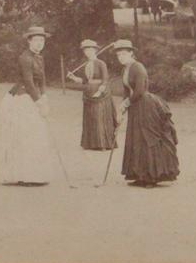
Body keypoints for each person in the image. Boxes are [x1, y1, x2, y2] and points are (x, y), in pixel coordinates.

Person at [114, 39, 179, 187]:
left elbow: (139, 90)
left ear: (131, 53)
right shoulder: (125, 70)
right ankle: (140, 175)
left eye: (123, 54)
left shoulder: (138, 67)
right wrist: (122, 108)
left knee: (148, 139)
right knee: (136, 140)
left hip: (146, 106)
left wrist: (126, 103)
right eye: (118, 55)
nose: (120, 57)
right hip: (135, 107)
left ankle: (152, 176)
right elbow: (127, 91)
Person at [0, 26, 55, 186]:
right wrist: (39, 102)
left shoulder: (39, 57)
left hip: (35, 95)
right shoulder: (25, 58)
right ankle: (25, 175)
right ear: (29, 41)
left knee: (37, 134)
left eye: (42, 40)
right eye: (36, 40)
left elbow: (41, 79)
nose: (40, 43)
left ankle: (36, 174)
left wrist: (44, 96)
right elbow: (28, 82)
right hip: (23, 97)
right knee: (26, 134)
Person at [75, 39, 116, 150]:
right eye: (86, 50)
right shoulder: (86, 64)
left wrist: (99, 92)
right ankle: (90, 144)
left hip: (100, 95)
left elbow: (105, 79)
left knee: (99, 117)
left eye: (90, 49)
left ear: (95, 50)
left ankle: (102, 144)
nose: (88, 52)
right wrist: (74, 78)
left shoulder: (101, 63)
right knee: (90, 117)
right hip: (88, 92)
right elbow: (85, 80)